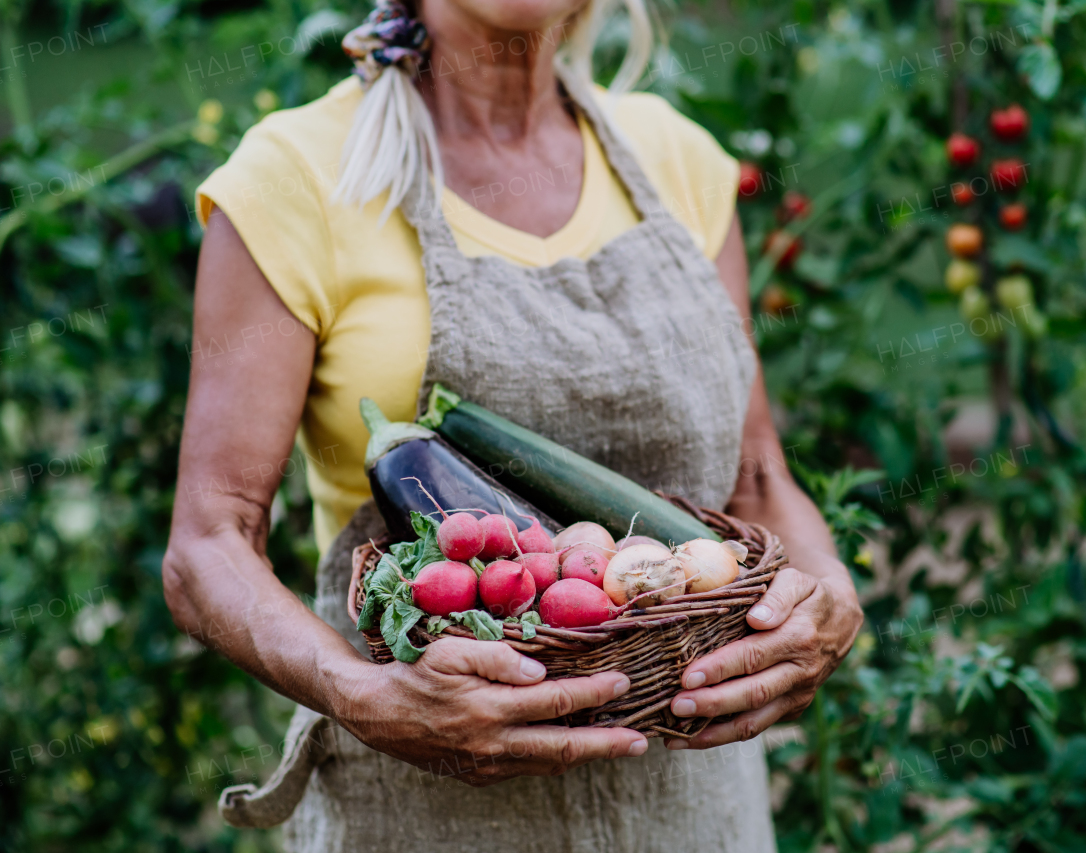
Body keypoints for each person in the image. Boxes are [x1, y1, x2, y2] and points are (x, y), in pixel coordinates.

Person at [162, 0, 864, 849]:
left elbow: (756, 480)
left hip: (696, 807)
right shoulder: (298, 176)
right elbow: (210, 542)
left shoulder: (676, 157)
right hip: (423, 811)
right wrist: (360, 692)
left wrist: (829, 594)